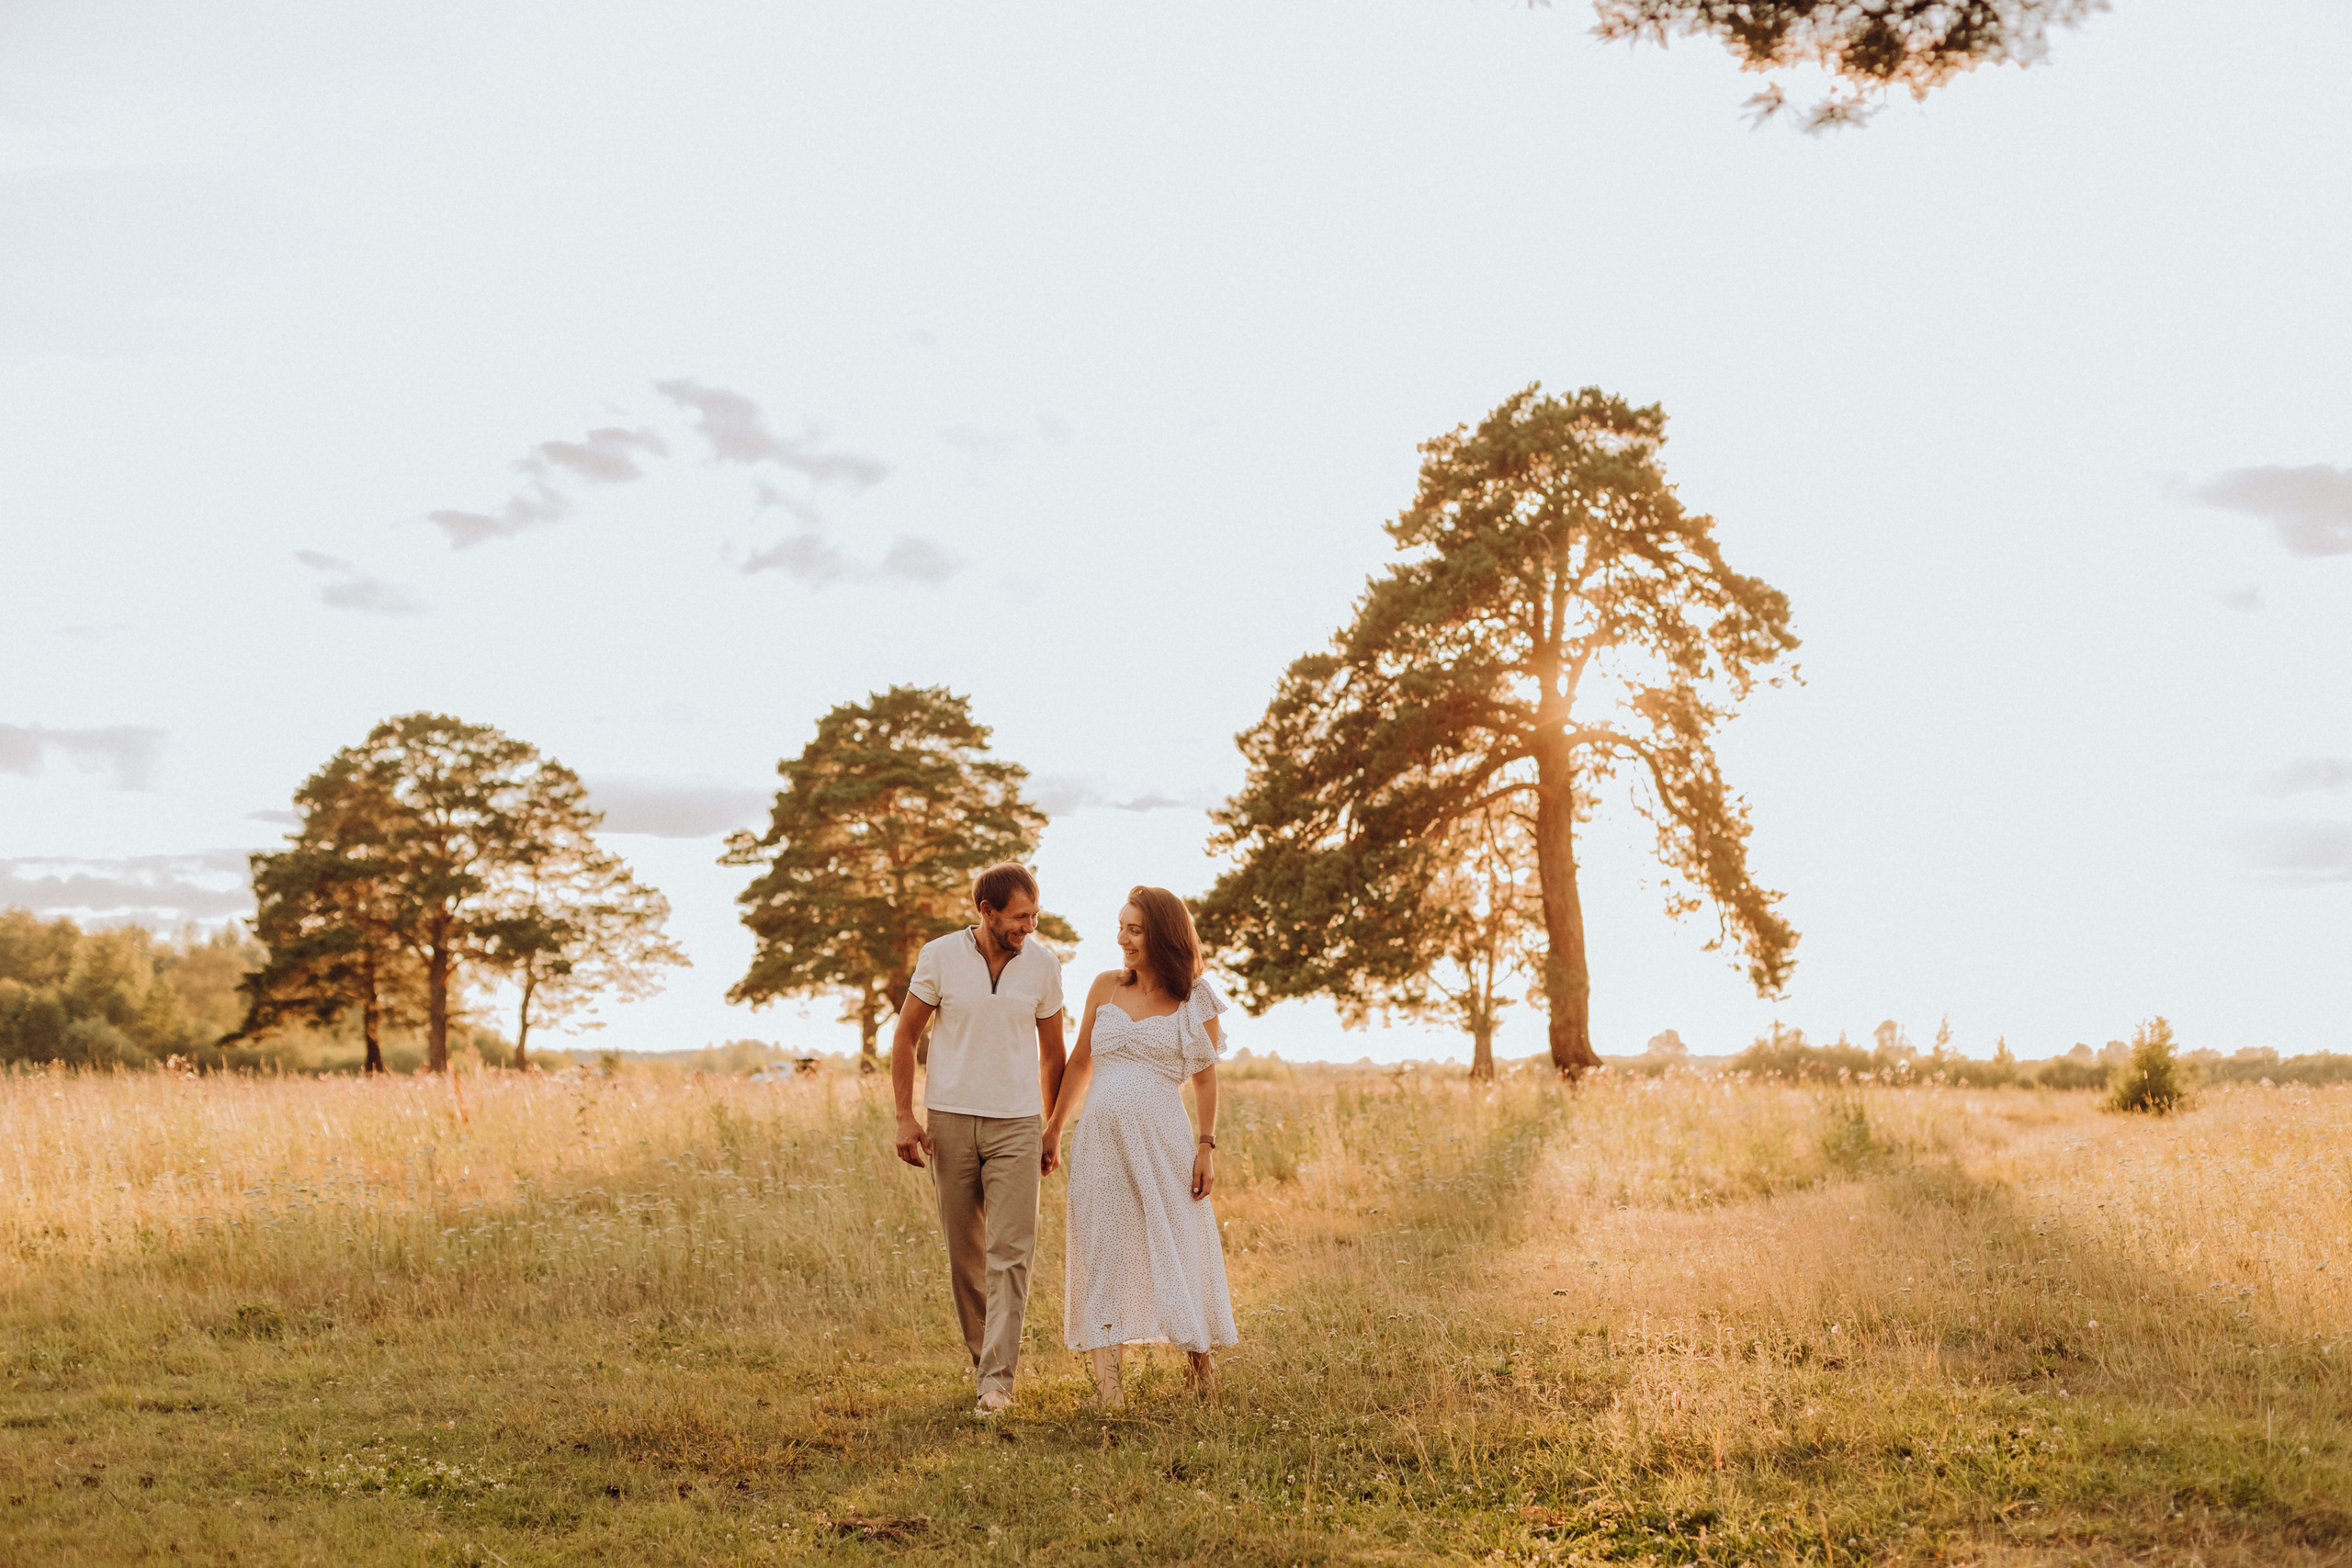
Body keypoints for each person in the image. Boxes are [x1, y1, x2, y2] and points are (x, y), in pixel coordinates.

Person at [1045, 885, 1237, 1410]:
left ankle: (1200, 1365)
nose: (1122, 939)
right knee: (1104, 1249)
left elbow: (1204, 1080)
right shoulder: (1105, 987)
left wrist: (1206, 1146)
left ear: (1163, 934)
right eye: (1121, 926)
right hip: (1100, 1143)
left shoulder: (1192, 998)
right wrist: (1056, 1126)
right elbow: (1080, 1062)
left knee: (1175, 1244)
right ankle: (1109, 1392)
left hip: (1163, 1142)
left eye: (1135, 929)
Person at [891, 863, 1068, 1416]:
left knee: (1011, 1252)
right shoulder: (939, 956)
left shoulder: (1044, 966)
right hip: (949, 1120)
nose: (1029, 926)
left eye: (1035, 914)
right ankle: (983, 1365)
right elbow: (905, 1036)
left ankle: (997, 1381)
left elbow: (1054, 1055)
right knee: (965, 1254)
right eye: (1020, 916)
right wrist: (904, 1116)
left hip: (1017, 1124)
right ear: (986, 912)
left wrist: (1052, 1126)